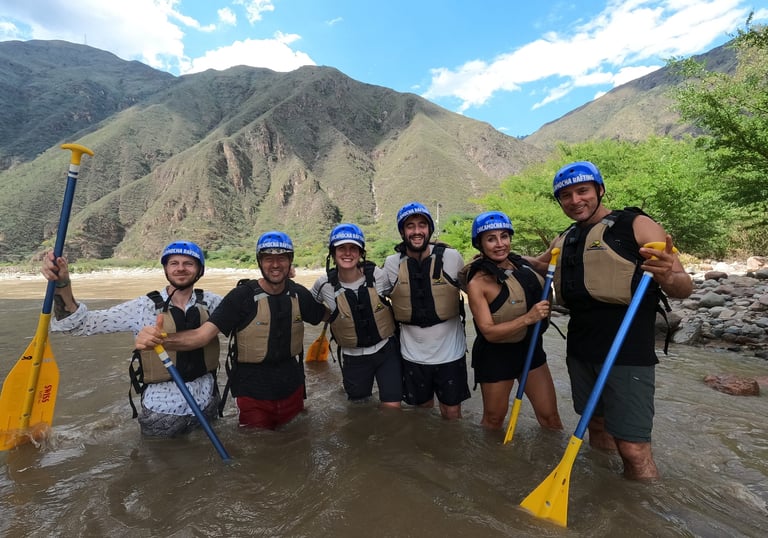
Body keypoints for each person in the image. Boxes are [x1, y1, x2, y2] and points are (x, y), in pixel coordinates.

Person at [531, 161, 693, 479]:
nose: (575, 200)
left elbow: (683, 286)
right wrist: (497, 257)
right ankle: (609, 497)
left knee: (633, 449)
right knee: (597, 427)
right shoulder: (563, 239)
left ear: (600, 190)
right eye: (566, 195)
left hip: (627, 348)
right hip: (581, 347)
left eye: (582, 191)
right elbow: (540, 266)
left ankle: (643, 513)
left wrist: (668, 275)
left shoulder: (636, 225)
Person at [135, 231, 328, 430]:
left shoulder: (299, 294)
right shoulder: (241, 297)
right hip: (252, 391)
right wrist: (160, 340)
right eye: (268, 259)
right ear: (259, 262)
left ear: (290, 262)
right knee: (257, 447)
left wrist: (340, 288)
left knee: (296, 442)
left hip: (292, 387)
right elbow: (201, 336)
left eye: (282, 258)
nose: (276, 264)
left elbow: (329, 316)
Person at [41, 241, 223, 437]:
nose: (180, 268)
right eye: (174, 263)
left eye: (188, 263)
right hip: (163, 411)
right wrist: (62, 285)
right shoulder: (142, 307)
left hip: (207, 401)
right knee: (160, 462)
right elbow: (81, 324)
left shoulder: (213, 302)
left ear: (199, 270)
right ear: (166, 268)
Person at [462, 211, 563, 431]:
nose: (500, 244)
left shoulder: (522, 263)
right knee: (494, 421)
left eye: (504, 236)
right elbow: (488, 331)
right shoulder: (478, 283)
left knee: (550, 419)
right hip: (496, 356)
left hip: (531, 349)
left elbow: (550, 262)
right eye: (491, 239)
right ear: (480, 244)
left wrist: (567, 235)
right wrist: (529, 318)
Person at [382, 202, 470, 419]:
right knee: (422, 415)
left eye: (422, 225)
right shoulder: (391, 264)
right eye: (410, 226)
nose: (417, 231)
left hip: (451, 353)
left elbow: (476, 286)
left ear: (429, 229)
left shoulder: (451, 257)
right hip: (412, 355)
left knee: (452, 413)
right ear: (402, 231)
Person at [311, 223, 402, 409]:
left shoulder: (377, 275)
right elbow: (306, 305)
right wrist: (331, 316)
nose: (347, 253)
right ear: (333, 252)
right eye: (341, 248)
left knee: (392, 409)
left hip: (386, 352)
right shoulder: (324, 284)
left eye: (353, 248)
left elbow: (401, 295)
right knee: (359, 410)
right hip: (353, 358)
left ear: (360, 253)